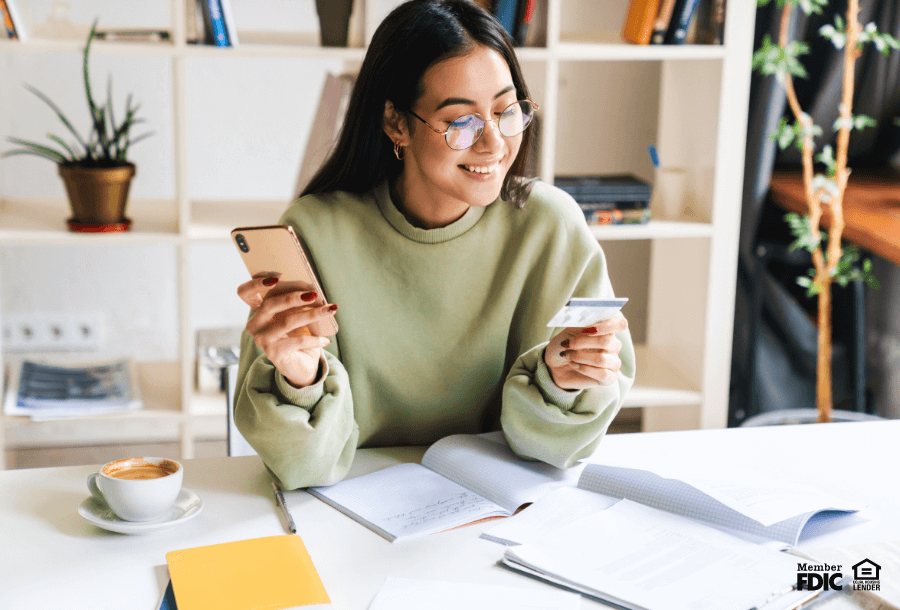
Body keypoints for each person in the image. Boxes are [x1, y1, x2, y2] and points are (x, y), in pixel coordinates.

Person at [234, 0, 635, 490]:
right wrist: (300, 378)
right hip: (351, 507)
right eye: (461, 121)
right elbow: (306, 468)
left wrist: (564, 382)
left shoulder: (551, 227)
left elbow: (554, 454)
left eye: (506, 111)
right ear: (396, 123)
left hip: (502, 504)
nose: (494, 144)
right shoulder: (316, 230)